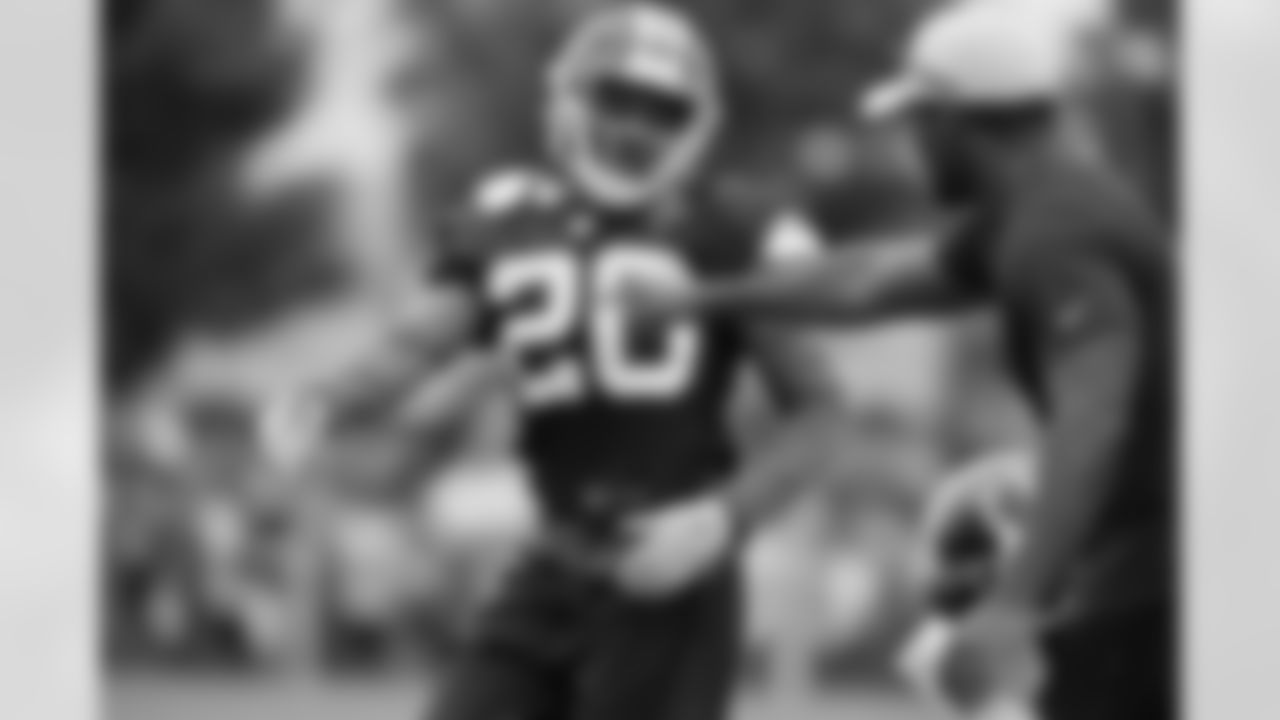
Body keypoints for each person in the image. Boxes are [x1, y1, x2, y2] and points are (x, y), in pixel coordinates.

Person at [618, 4, 1176, 719]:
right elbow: (865, 281)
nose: (912, 142)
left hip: (1162, 581)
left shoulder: (1055, 239)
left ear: (948, 122)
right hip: (1155, 571)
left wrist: (1014, 601)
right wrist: (700, 298)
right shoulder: (1033, 216)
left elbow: (1095, 418)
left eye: (916, 122)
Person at [412, 5, 844, 720]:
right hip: (555, 559)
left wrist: (723, 518)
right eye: (615, 101)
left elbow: (822, 410)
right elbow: (426, 342)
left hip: (668, 569)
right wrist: (350, 402)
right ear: (567, 101)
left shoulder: (731, 227)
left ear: (697, 128)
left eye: (664, 112)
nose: (635, 130)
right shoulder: (515, 218)